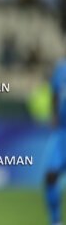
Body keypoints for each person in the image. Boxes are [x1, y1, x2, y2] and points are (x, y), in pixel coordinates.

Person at [44, 57, 66, 225]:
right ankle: (56, 221)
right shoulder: (61, 69)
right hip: (62, 133)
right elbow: (54, 94)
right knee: (51, 175)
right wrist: (54, 115)